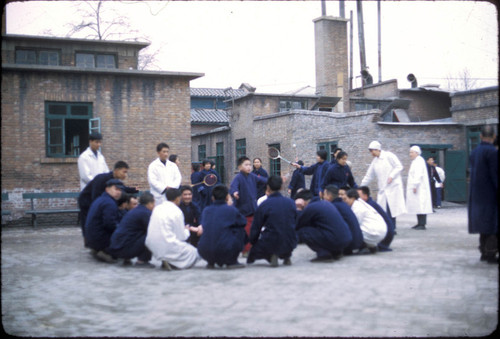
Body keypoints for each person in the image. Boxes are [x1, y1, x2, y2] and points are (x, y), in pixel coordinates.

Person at [78, 161, 138, 245]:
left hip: (99, 201)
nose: (125, 175)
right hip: (86, 201)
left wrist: (135, 189)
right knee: (89, 221)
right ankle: (89, 241)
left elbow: (124, 188)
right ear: (116, 170)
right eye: (124, 172)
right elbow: (95, 196)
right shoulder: (102, 178)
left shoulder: (115, 181)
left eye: (126, 172)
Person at [146, 188, 202, 271]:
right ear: (177, 198)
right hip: (167, 245)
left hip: (151, 244)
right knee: (195, 253)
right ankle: (174, 263)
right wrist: (187, 230)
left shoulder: (157, 208)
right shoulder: (177, 211)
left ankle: (168, 259)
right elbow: (181, 237)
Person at [247, 176, 298, 267]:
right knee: (285, 234)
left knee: (256, 250)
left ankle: (272, 254)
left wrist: (253, 241)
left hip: (271, 240)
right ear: (281, 187)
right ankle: (287, 255)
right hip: (291, 241)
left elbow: (256, 226)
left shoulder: (265, 204)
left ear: (268, 187)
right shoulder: (290, 203)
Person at [197, 185, 247, 269]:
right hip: (225, 250)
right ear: (227, 197)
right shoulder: (231, 210)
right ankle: (232, 261)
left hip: (204, 252)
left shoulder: (206, 210)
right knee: (240, 230)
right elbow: (243, 222)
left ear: (213, 198)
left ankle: (211, 262)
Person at [294, 189, 352, 262]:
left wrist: (299, 209)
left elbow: (298, 224)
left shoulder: (311, 207)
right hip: (345, 240)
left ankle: (324, 254)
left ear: (302, 201)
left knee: (303, 231)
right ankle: (336, 252)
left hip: (336, 240)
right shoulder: (325, 203)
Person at [468, 125, 498, 263]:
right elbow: (495, 175)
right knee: (492, 225)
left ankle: (483, 251)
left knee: (483, 225)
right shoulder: (492, 152)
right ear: (494, 137)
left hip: (477, 195)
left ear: (480, 136)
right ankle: (490, 253)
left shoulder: (474, 152)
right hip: (490, 195)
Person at [360, 141, 406, 229]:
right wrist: (361, 186)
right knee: (383, 209)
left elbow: (399, 166)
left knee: (391, 209)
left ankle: (392, 228)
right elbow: (369, 175)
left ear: (377, 149)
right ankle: (389, 227)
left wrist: (392, 176)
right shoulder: (375, 161)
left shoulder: (389, 156)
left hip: (393, 187)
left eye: (372, 151)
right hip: (383, 189)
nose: (371, 153)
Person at [229, 156, 268, 256]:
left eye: (250, 165)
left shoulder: (252, 176)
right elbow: (233, 187)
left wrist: (274, 181)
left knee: (253, 229)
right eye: (246, 165)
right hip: (242, 209)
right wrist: (234, 193)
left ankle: (250, 248)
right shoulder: (238, 177)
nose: (249, 167)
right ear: (239, 167)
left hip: (252, 208)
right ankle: (245, 250)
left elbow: (264, 180)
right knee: (245, 230)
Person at [108, 192, 155, 268]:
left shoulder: (135, 210)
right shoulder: (145, 213)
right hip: (123, 249)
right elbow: (153, 230)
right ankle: (142, 261)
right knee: (151, 235)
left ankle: (127, 258)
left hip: (116, 246)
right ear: (150, 203)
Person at [85, 179, 125, 263]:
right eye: (116, 189)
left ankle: (97, 249)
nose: (118, 192)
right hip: (99, 239)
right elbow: (110, 224)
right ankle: (106, 251)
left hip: (91, 238)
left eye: (120, 190)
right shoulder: (109, 203)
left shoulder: (101, 199)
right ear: (107, 189)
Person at [322, 185, 364, 254]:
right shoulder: (342, 204)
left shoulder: (333, 207)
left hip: (350, 243)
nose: (323, 197)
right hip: (357, 241)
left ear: (329, 195)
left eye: (324, 194)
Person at [343, 189, 387, 254]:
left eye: (346, 199)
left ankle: (363, 246)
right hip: (380, 230)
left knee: (352, 229)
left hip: (375, 232)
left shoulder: (357, 207)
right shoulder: (360, 203)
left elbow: (355, 225)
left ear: (352, 198)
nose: (345, 201)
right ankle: (371, 246)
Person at [357, 186, 395, 251]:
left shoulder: (369, 205)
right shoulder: (369, 203)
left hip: (384, 236)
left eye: (358, 196)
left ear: (365, 196)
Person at [406, 146, 433, 230]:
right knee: (417, 205)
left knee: (421, 205)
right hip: (417, 187)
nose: (410, 154)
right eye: (410, 152)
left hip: (420, 187)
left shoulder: (419, 161)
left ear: (417, 153)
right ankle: (419, 223)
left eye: (412, 152)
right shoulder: (415, 161)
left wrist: (415, 185)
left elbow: (418, 174)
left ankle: (422, 224)